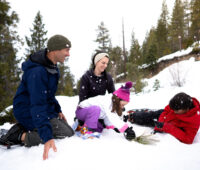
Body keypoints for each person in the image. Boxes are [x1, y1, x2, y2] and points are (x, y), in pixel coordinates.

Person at [0, 35, 74, 160]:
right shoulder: (37, 72)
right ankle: (18, 135)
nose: (68, 54)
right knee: (62, 133)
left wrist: (58, 110)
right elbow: (37, 104)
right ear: (55, 50)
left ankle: (26, 127)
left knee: (67, 130)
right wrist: (47, 137)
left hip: (40, 108)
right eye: (66, 50)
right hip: (27, 110)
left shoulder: (53, 68)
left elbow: (49, 94)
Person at [124, 92, 200, 144]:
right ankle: (133, 116)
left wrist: (166, 127)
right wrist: (161, 121)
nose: (173, 110)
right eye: (172, 108)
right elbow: (167, 109)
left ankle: (135, 117)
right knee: (150, 115)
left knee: (146, 121)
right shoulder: (178, 102)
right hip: (163, 116)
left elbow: (188, 139)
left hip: (168, 125)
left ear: (186, 109)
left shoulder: (194, 120)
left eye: (175, 110)